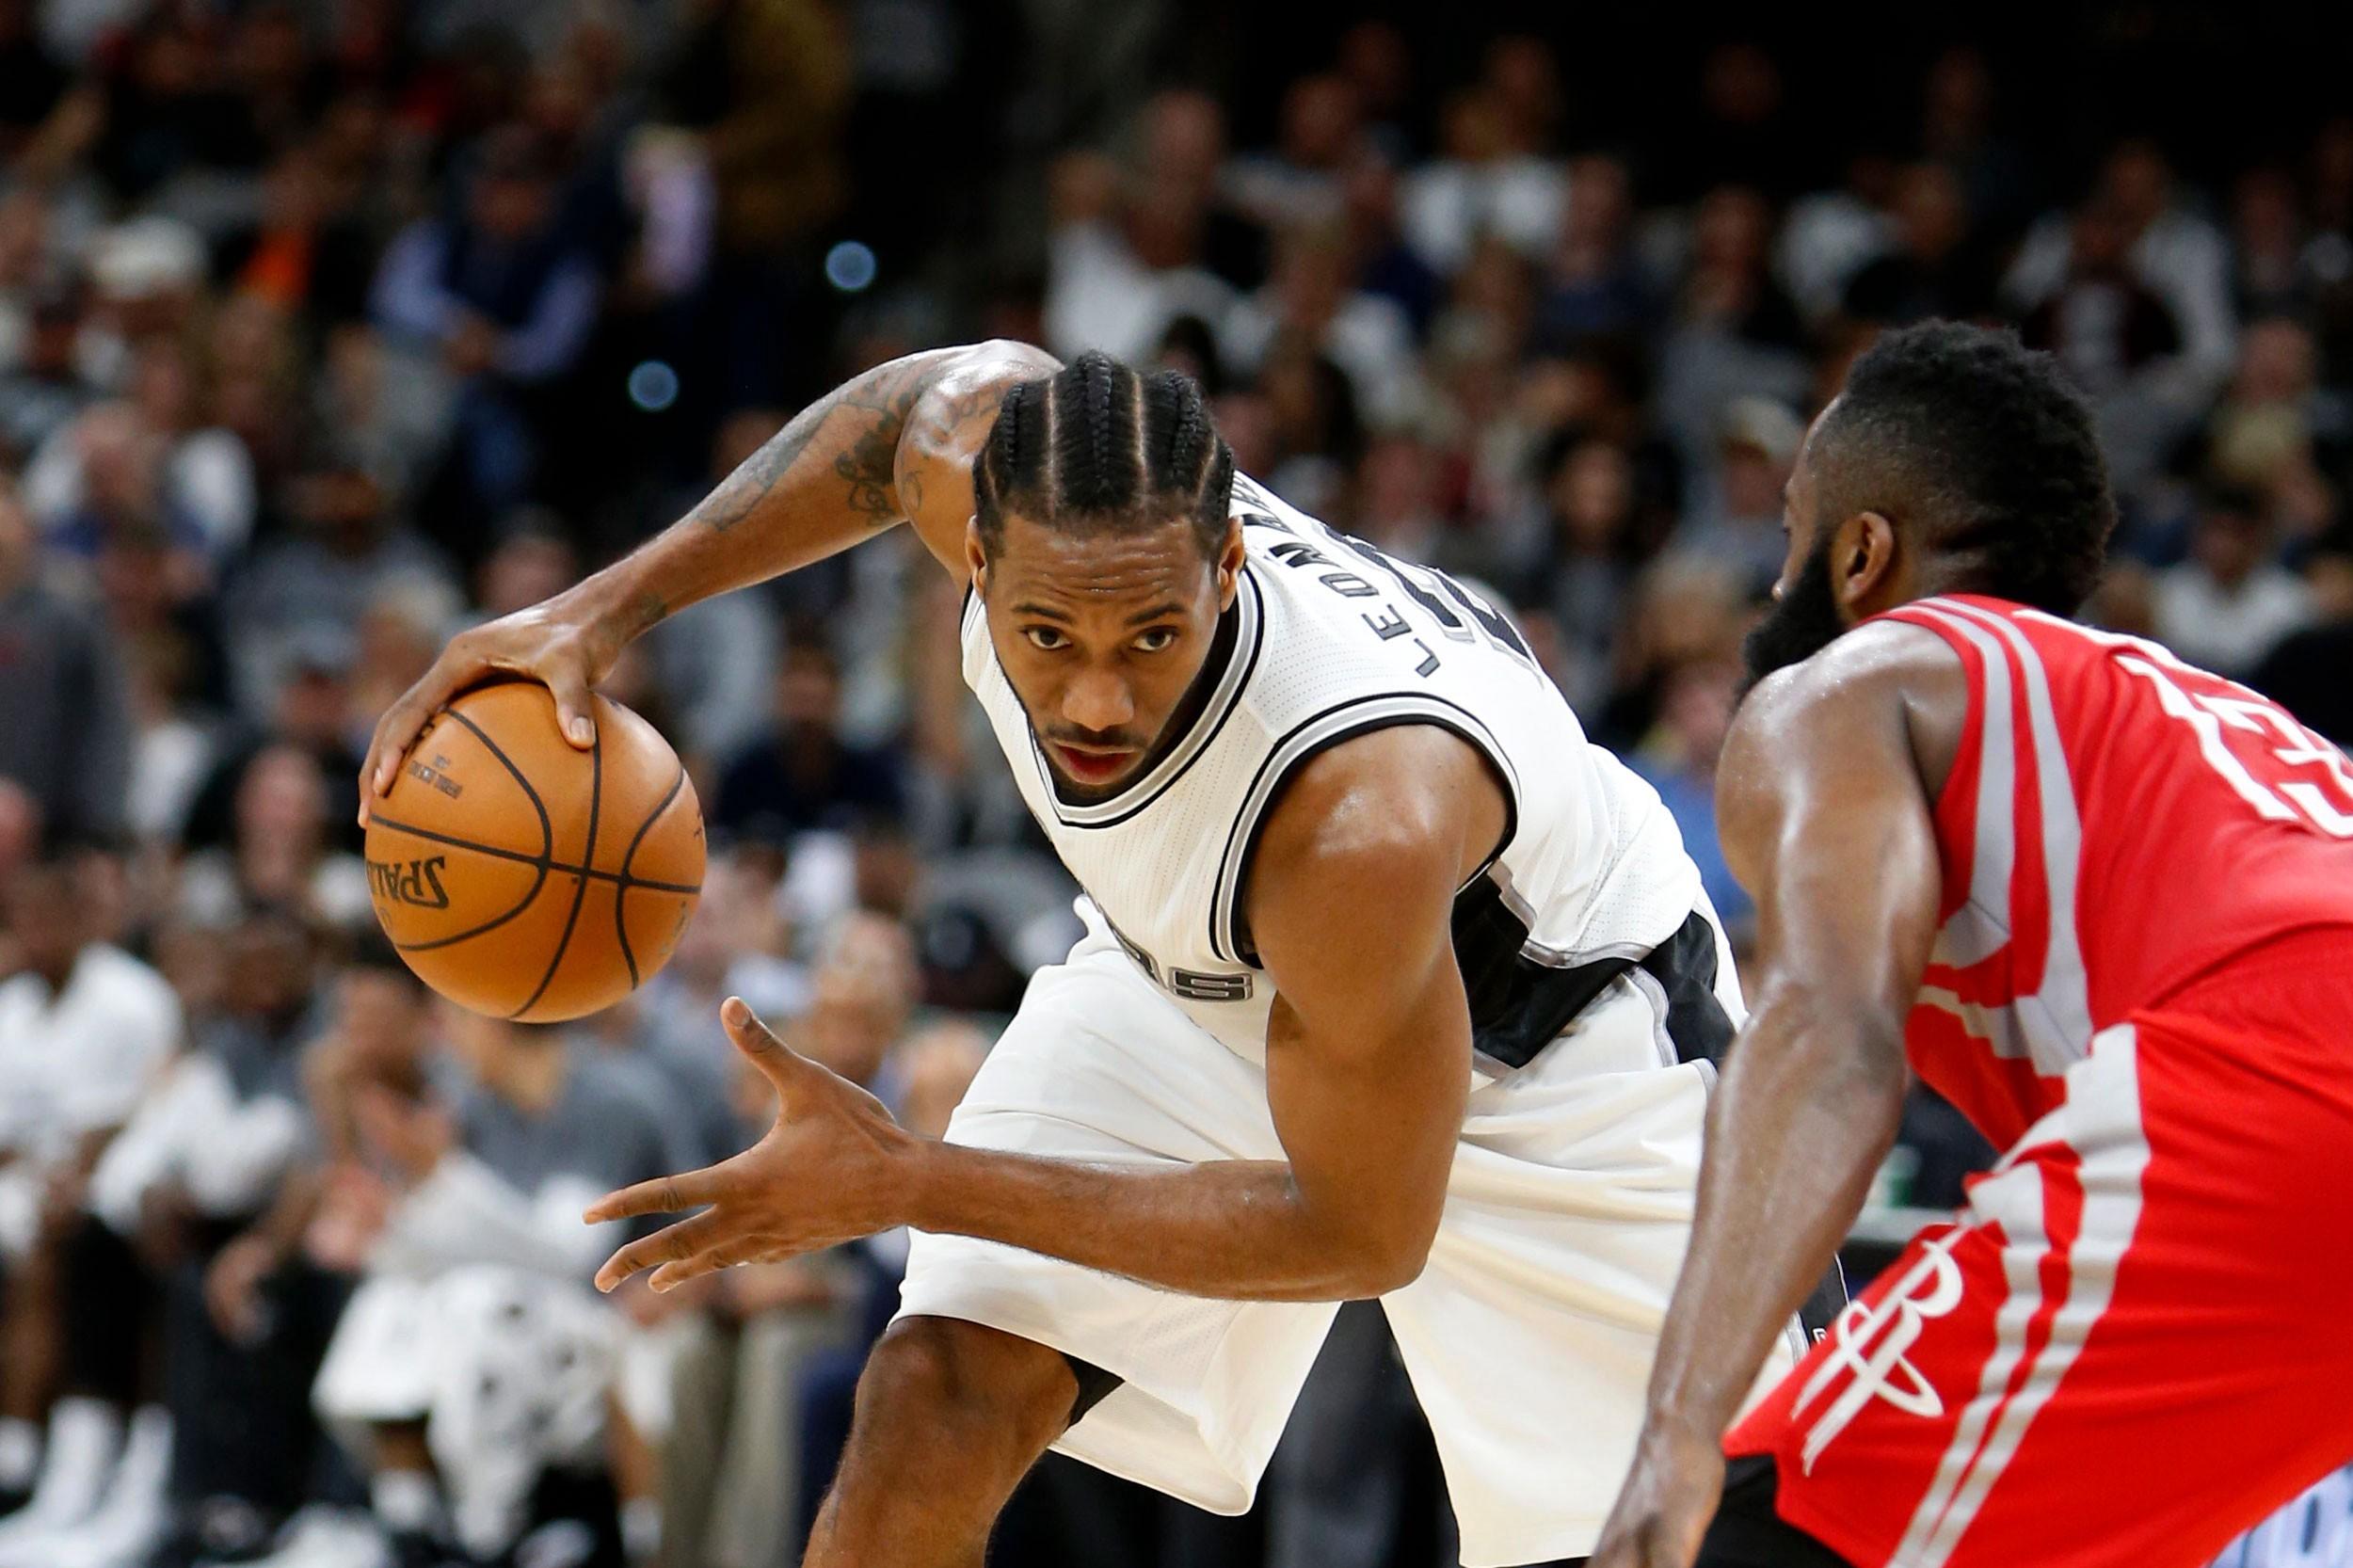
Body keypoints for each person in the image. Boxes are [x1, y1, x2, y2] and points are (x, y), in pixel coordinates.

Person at [361, 342, 1830, 1567]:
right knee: (932, 1390)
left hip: (1554, 1042)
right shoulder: (983, 456)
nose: (1097, 700)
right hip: (1212, 971)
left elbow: (1362, 1229)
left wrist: (909, 1177)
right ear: (973, 550)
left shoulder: (1358, 819)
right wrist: (595, 611)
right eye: (1048, 635)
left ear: (1228, 566)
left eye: (1151, 637)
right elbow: (895, 424)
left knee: (1708, 1523)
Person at [1589, 321, 2353, 1568]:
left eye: (1789, 535)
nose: (1771, 592)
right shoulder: (2189, 711)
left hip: (2280, 1070)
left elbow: (1830, 1038)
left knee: (1765, 1524)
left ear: (1860, 552)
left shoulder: (1850, 684)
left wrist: (1677, 1434)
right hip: (2287, 1151)